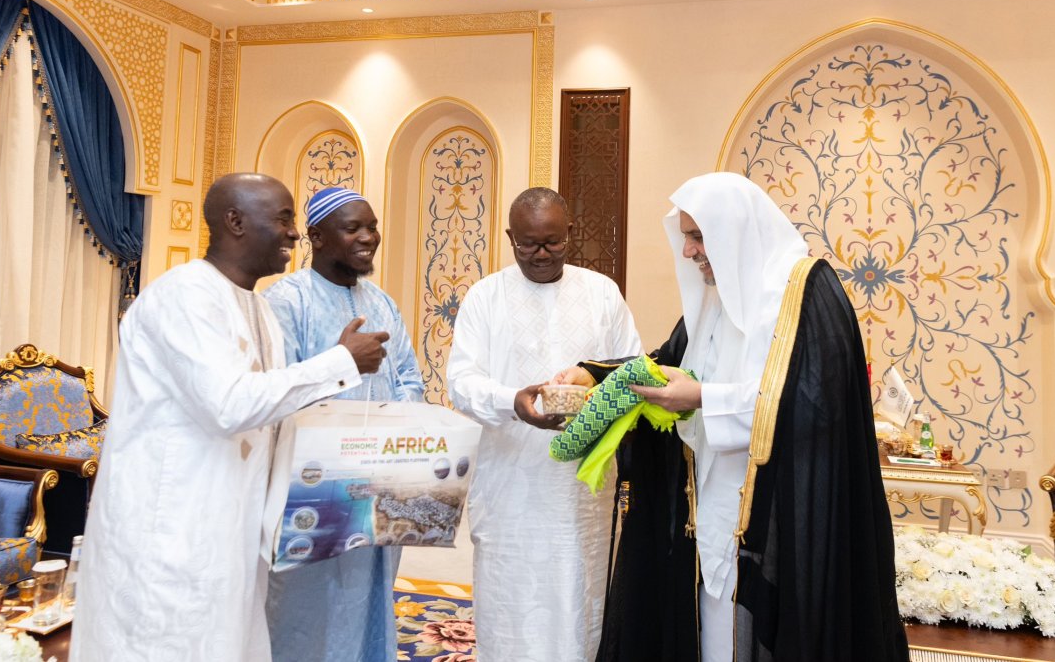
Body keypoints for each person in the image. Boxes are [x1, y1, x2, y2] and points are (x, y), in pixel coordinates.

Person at [589, 172, 908, 662]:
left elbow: (816, 404)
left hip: (786, 518)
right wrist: (593, 378)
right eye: (687, 237)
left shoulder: (809, 290)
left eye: (699, 237)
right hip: (710, 513)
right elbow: (667, 364)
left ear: (732, 231)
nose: (690, 251)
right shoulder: (713, 301)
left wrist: (703, 400)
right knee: (713, 635)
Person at [72, 173, 390, 662]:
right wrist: (340, 362)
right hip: (173, 530)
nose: (294, 233)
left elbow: (276, 414)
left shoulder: (260, 310)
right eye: (283, 218)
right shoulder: (183, 295)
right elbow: (228, 405)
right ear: (235, 221)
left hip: (235, 531)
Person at [447, 187, 642, 662]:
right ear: (511, 237)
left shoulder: (602, 293)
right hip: (508, 484)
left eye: (552, 243)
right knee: (508, 601)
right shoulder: (485, 296)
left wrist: (595, 394)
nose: (540, 254)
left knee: (580, 594)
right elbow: (461, 381)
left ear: (569, 235)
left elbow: (631, 367)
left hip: (581, 489)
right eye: (528, 244)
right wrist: (512, 401)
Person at [263, 186, 425, 662]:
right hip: (312, 488)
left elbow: (409, 378)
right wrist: (339, 361)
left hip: (378, 483)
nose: (368, 237)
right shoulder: (286, 302)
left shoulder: (382, 303)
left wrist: (399, 433)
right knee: (304, 606)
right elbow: (276, 391)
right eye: (352, 227)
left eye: (371, 226)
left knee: (368, 593)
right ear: (316, 235)